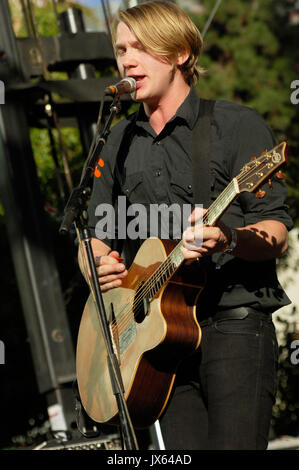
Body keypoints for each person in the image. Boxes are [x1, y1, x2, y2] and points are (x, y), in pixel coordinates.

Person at [78, 1, 293, 450]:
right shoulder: (115, 142)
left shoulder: (236, 125)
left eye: (140, 47)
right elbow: (92, 238)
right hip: (157, 346)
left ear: (178, 53)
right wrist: (96, 267)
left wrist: (228, 237)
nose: (126, 60)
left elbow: (275, 231)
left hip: (232, 324)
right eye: (121, 50)